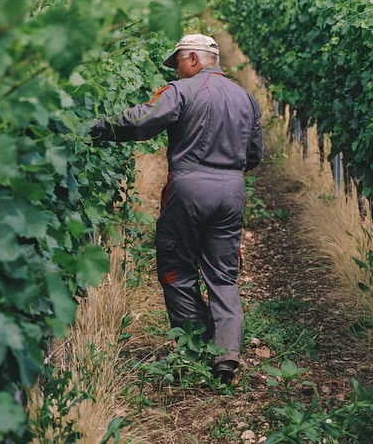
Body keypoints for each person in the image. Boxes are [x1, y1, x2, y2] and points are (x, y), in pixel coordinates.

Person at [90, 34, 263, 382]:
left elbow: (140, 121)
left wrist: (96, 128)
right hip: (231, 192)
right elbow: (255, 154)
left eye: (179, 63)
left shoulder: (182, 91)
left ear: (194, 59)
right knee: (223, 275)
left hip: (188, 188)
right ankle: (226, 353)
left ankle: (194, 344)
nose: (177, 70)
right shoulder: (247, 99)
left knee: (176, 265)